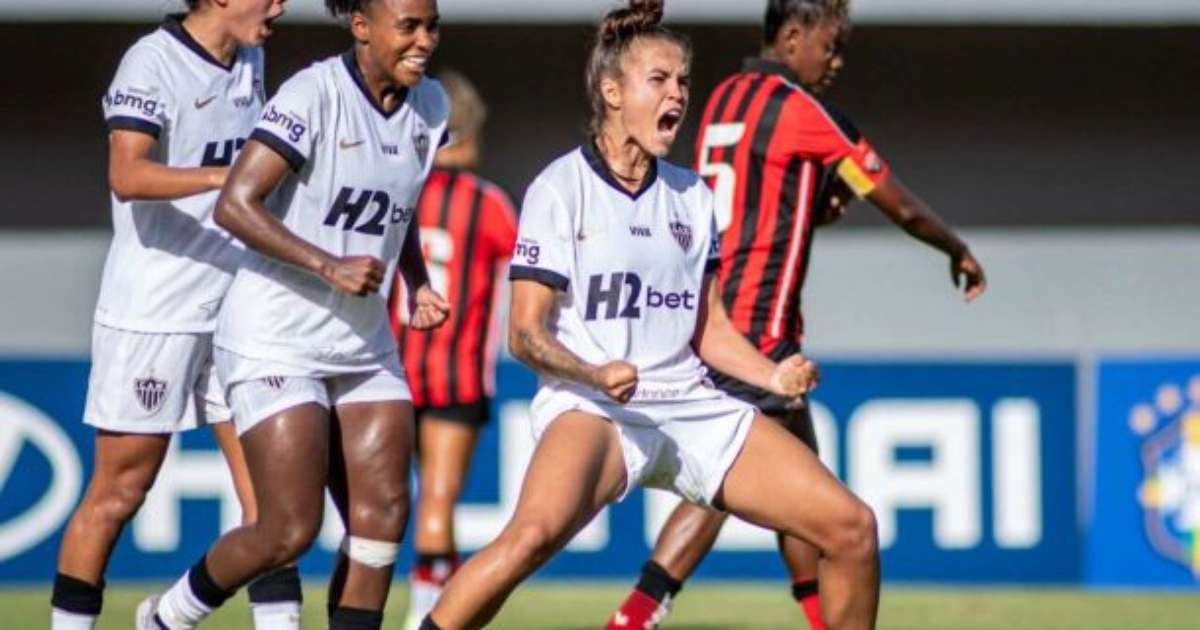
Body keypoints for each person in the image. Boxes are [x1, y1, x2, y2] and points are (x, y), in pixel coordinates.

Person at [420, 1, 880, 629]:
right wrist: (591, 372)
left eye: (683, 81)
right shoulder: (560, 188)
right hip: (596, 409)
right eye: (659, 80)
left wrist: (773, 378)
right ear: (613, 91)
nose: (678, 95)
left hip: (689, 404)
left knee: (853, 528)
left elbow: (710, 329)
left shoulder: (693, 196)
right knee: (528, 538)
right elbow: (525, 336)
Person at [606, 1, 987, 628]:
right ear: (792, 37)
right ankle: (639, 611)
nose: (835, 61)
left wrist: (809, 201)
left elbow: (757, 192)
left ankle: (814, 614)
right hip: (757, 326)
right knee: (730, 469)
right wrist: (958, 248)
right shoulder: (802, 110)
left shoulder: (726, 96)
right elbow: (899, 203)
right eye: (830, 45)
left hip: (717, 303)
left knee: (814, 493)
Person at [135, 0, 450, 628]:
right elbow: (235, 204)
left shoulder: (432, 106)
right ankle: (168, 616)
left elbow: (398, 206)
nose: (424, 41)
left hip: (363, 343)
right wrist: (328, 264)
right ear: (362, 27)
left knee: (382, 521)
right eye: (408, 27)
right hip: (275, 335)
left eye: (432, 26)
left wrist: (417, 282)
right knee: (289, 528)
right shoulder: (313, 94)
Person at [49, 2, 303, 629]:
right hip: (156, 309)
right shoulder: (151, 61)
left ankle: (173, 618)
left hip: (241, 306)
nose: (279, 7)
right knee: (118, 493)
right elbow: (127, 174)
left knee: (273, 508)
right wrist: (233, 175)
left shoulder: (252, 57)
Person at [388, 69, 519, 630]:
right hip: (457, 373)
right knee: (437, 503)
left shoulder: (398, 192)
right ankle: (426, 618)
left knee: (378, 506)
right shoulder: (489, 205)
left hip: (388, 369)